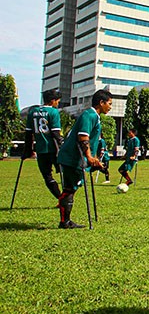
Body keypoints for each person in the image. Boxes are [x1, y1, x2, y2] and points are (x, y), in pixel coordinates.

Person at [56, 89, 112, 229]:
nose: (110, 107)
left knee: (71, 188)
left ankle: (65, 219)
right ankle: (65, 221)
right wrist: (89, 157)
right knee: (70, 188)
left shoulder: (95, 116)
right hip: (72, 158)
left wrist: (93, 160)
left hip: (77, 159)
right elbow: (83, 137)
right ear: (101, 102)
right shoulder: (89, 115)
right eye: (109, 104)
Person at [23, 89, 64, 200]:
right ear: (52, 101)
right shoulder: (53, 112)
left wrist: (28, 150)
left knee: (47, 176)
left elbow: (28, 133)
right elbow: (56, 133)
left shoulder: (32, 111)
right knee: (64, 173)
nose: (57, 104)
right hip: (54, 149)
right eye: (57, 101)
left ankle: (59, 197)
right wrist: (63, 145)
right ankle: (65, 198)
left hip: (41, 150)